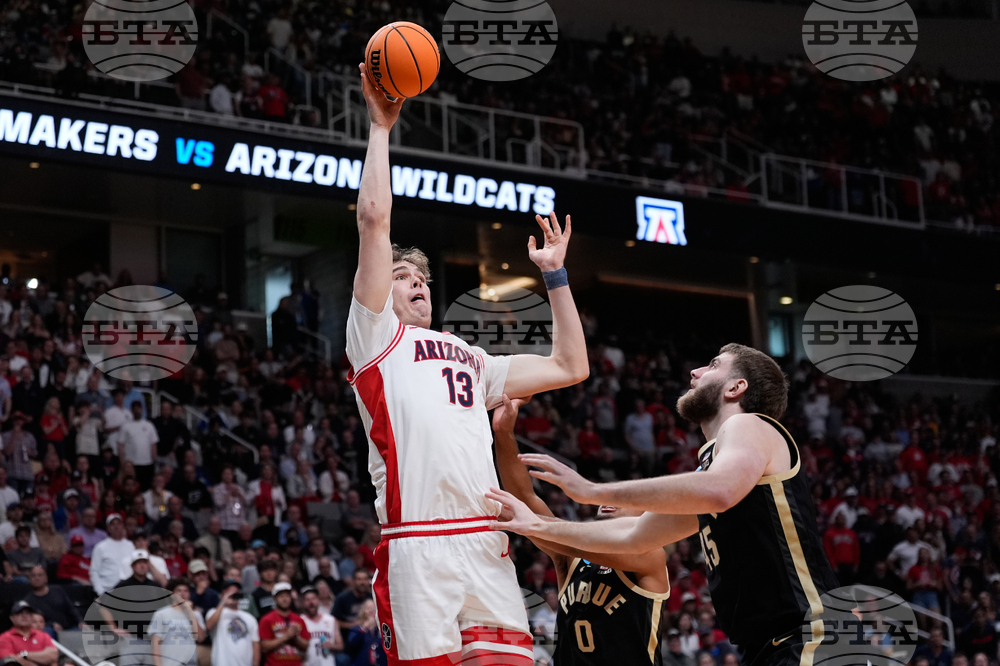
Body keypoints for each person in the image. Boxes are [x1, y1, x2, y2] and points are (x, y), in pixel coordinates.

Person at [347, 61, 588, 666]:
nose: (416, 285)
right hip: (417, 545)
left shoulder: (471, 357)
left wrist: (555, 275)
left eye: (422, 277)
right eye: (402, 277)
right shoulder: (375, 340)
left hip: (485, 543)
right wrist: (380, 127)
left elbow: (569, 366)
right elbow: (375, 222)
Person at [489, 344, 839, 666]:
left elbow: (719, 490)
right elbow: (635, 538)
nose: (696, 372)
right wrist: (535, 525)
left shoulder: (749, 424)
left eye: (713, 365)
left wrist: (592, 491)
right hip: (767, 648)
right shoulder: (713, 467)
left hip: (806, 636)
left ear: (736, 388)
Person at [493, 394, 670, 666]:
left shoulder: (649, 555)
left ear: (646, 516)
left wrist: (539, 526)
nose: (608, 499)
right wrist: (504, 433)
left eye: (624, 498)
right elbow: (526, 499)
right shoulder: (571, 558)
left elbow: (574, 540)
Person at [149, 577, 206, 666]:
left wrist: (190, 613)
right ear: (172, 594)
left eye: (186, 591)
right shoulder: (161, 614)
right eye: (179, 591)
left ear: (189, 594)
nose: (182, 594)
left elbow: (201, 638)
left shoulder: (196, 615)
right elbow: (155, 643)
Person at [207, 580, 260, 666]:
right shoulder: (214, 612)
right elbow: (209, 626)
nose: (233, 595)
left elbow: (256, 645)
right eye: (229, 592)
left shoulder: (250, 618)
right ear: (222, 595)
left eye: (236, 593)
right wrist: (223, 602)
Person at [259, 582, 311, 666]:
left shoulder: (299, 619)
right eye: (281, 596)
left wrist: (296, 638)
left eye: (287, 596)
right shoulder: (267, 619)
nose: (284, 599)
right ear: (275, 599)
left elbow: (306, 646)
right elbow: (264, 647)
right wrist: (286, 636)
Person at [22, 565, 83, 632]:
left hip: (69, 627)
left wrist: (81, 621)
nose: (37, 578)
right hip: (50, 629)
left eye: (40, 575)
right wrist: (51, 625)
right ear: (29, 579)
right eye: (33, 576)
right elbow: (33, 622)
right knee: (47, 630)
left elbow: (71, 608)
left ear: (46, 578)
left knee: (83, 630)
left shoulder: (57, 590)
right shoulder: (28, 601)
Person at [0, 601, 59, 665]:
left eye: (27, 613)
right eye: (20, 613)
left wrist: (25, 655)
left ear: (31, 617)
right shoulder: (5, 637)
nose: (24, 616)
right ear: (12, 618)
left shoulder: (43, 635)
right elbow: (10, 660)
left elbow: (53, 656)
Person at [90, 514, 135, 595]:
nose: (116, 526)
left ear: (123, 526)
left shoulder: (130, 545)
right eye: (112, 524)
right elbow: (94, 572)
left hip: (129, 591)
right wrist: (100, 592)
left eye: (118, 523)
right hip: (108, 591)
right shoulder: (100, 547)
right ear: (108, 528)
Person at [119, 400, 158, 488]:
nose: (137, 411)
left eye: (138, 408)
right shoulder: (126, 426)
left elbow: (153, 444)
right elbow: (121, 445)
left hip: (147, 463)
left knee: (146, 486)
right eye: (134, 409)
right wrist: (122, 462)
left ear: (142, 410)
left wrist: (153, 459)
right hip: (131, 464)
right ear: (131, 410)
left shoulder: (149, 425)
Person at [301, 586, 342, 666]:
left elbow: (340, 646)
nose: (311, 602)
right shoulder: (299, 621)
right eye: (307, 600)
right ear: (303, 603)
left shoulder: (331, 620)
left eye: (313, 598)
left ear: (318, 600)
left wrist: (332, 646)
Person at [344, 600, 385, 666]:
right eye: (368, 608)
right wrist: (365, 627)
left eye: (374, 609)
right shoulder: (356, 628)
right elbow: (350, 647)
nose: (371, 611)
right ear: (363, 611)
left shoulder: (382, 629)